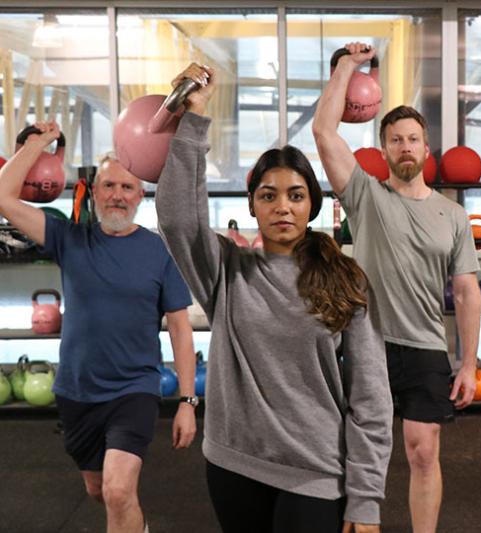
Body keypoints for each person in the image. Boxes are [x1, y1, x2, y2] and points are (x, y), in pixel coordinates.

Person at [155, 63, 393, 533]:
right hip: (233, 463)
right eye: (268, 196)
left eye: (296, 195)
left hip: (315, 471)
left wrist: (365, 497)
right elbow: (179, 221)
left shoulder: (346, 280)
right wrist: (194, 121)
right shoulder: (226, 270)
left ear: (312, 205)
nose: (282, 206)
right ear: (252, 206)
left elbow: (371, 396)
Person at [312, 42, 481, 533]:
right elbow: (324, 131)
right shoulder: (366, 195)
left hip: (425, 346)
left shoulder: (452, 215)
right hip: (367, 344)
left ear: (425, 148)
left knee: (422, 451)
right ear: (384, 148)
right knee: (358, 447)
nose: (405, 147)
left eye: (413, 139)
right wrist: (347, 66)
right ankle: (359, 523)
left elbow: (468, 293)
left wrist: (468, 363)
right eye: (396, 139)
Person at [0, 124, 197, 533]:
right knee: (98, 491)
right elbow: (3, 198)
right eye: (108, 185)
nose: (117, 195)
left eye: (127, 187)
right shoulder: (69, 239)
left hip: (134, 390)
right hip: (77, 392)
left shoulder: (160, 251)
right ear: (94, 192)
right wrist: (38, 144)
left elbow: (179, 328)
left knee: (118, 490)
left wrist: (186, 401)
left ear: (140, 196)